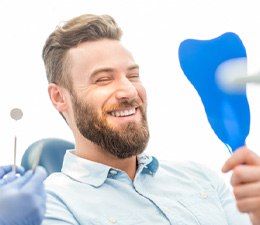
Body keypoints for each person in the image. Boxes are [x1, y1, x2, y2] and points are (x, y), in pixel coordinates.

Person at [41, 13, 258, 224]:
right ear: (59, 97)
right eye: (104, 79)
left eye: (133, 76)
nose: (129, 91)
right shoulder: (50, 204)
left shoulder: (203, 179)